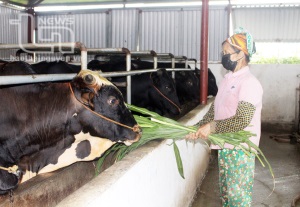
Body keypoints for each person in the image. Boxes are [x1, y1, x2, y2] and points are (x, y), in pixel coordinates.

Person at [186, 27, 263, 207]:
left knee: (238, 200)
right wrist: (197, 127)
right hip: (225, 146)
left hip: (240, 150)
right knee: (227, 197)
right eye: (223, 52)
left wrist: (211, 128)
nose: (223, 56)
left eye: (227, 53)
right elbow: (215, 110)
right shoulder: (228, 79)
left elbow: (242, 119)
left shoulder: (250, 83)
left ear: (241, 55)